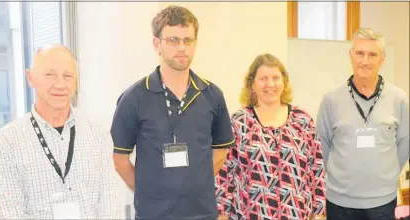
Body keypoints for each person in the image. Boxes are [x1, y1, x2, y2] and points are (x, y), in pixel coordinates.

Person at [111, 5, 234, 220]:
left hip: (202, 214)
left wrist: (192, 183)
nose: (182, 47)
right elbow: (120, 159)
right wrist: (149, 192)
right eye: (173, 40)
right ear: (156, 44)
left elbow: (220, 152)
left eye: (188, 40)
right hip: (154, 215)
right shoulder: (134, 98)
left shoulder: (212, 95)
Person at [0, 44, 123, 219]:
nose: (60, 84)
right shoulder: (6, 142)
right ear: (30, 78)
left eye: (68, 76)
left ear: (76, 81)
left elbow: (111, 206)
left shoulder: (98, 133)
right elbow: (8, 213)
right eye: (50, 75)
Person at [215, 54, 326, 220]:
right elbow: (226, 172)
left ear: (284, 82)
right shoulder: (240, 122)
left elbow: (316, 168)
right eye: (263, 78)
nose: (270, 84)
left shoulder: (302, 120)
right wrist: (222, 212)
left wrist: (319, 212)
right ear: (252, 84)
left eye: (276, 78)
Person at [316, 27, 409, 220]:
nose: (365, 61)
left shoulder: (399, 99)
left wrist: (384, 176)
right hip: (339, 202)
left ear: (382, 59)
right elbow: (322, 147)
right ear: (350, 56)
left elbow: (404, 145)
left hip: (382, 202)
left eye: (372, 54)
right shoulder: (331, 100)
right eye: (360, 53)